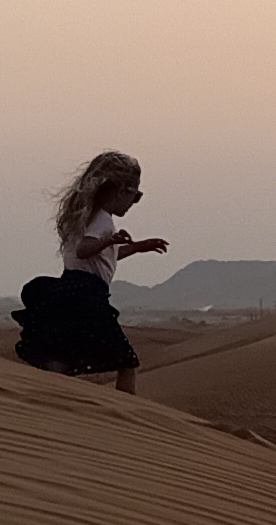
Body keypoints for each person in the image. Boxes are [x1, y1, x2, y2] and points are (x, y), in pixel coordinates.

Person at [15, 151, 166, 390]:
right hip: (88, 295)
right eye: (135, 196)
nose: (133, 202)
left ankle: (52, 398)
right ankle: (125, 414)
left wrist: (136, 247)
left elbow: (103, 258)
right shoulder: (102, 219)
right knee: (127, 362)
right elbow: (84, 250)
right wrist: (109, 240)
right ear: (120, 191)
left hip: (73, 289)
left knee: (64, 357)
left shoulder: (85, 218)